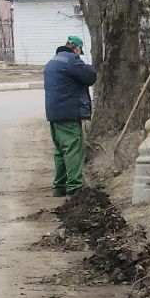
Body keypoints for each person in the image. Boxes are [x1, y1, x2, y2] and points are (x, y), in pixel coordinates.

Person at [43, 35, 97, 196]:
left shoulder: (53, 61)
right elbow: (90, 76)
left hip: (53, 113)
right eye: (80, 52)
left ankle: (59, 187)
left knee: (60, 150)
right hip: (69, 112)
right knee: (74, 149)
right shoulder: (71, 60)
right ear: (77, 49)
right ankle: (75, 187)